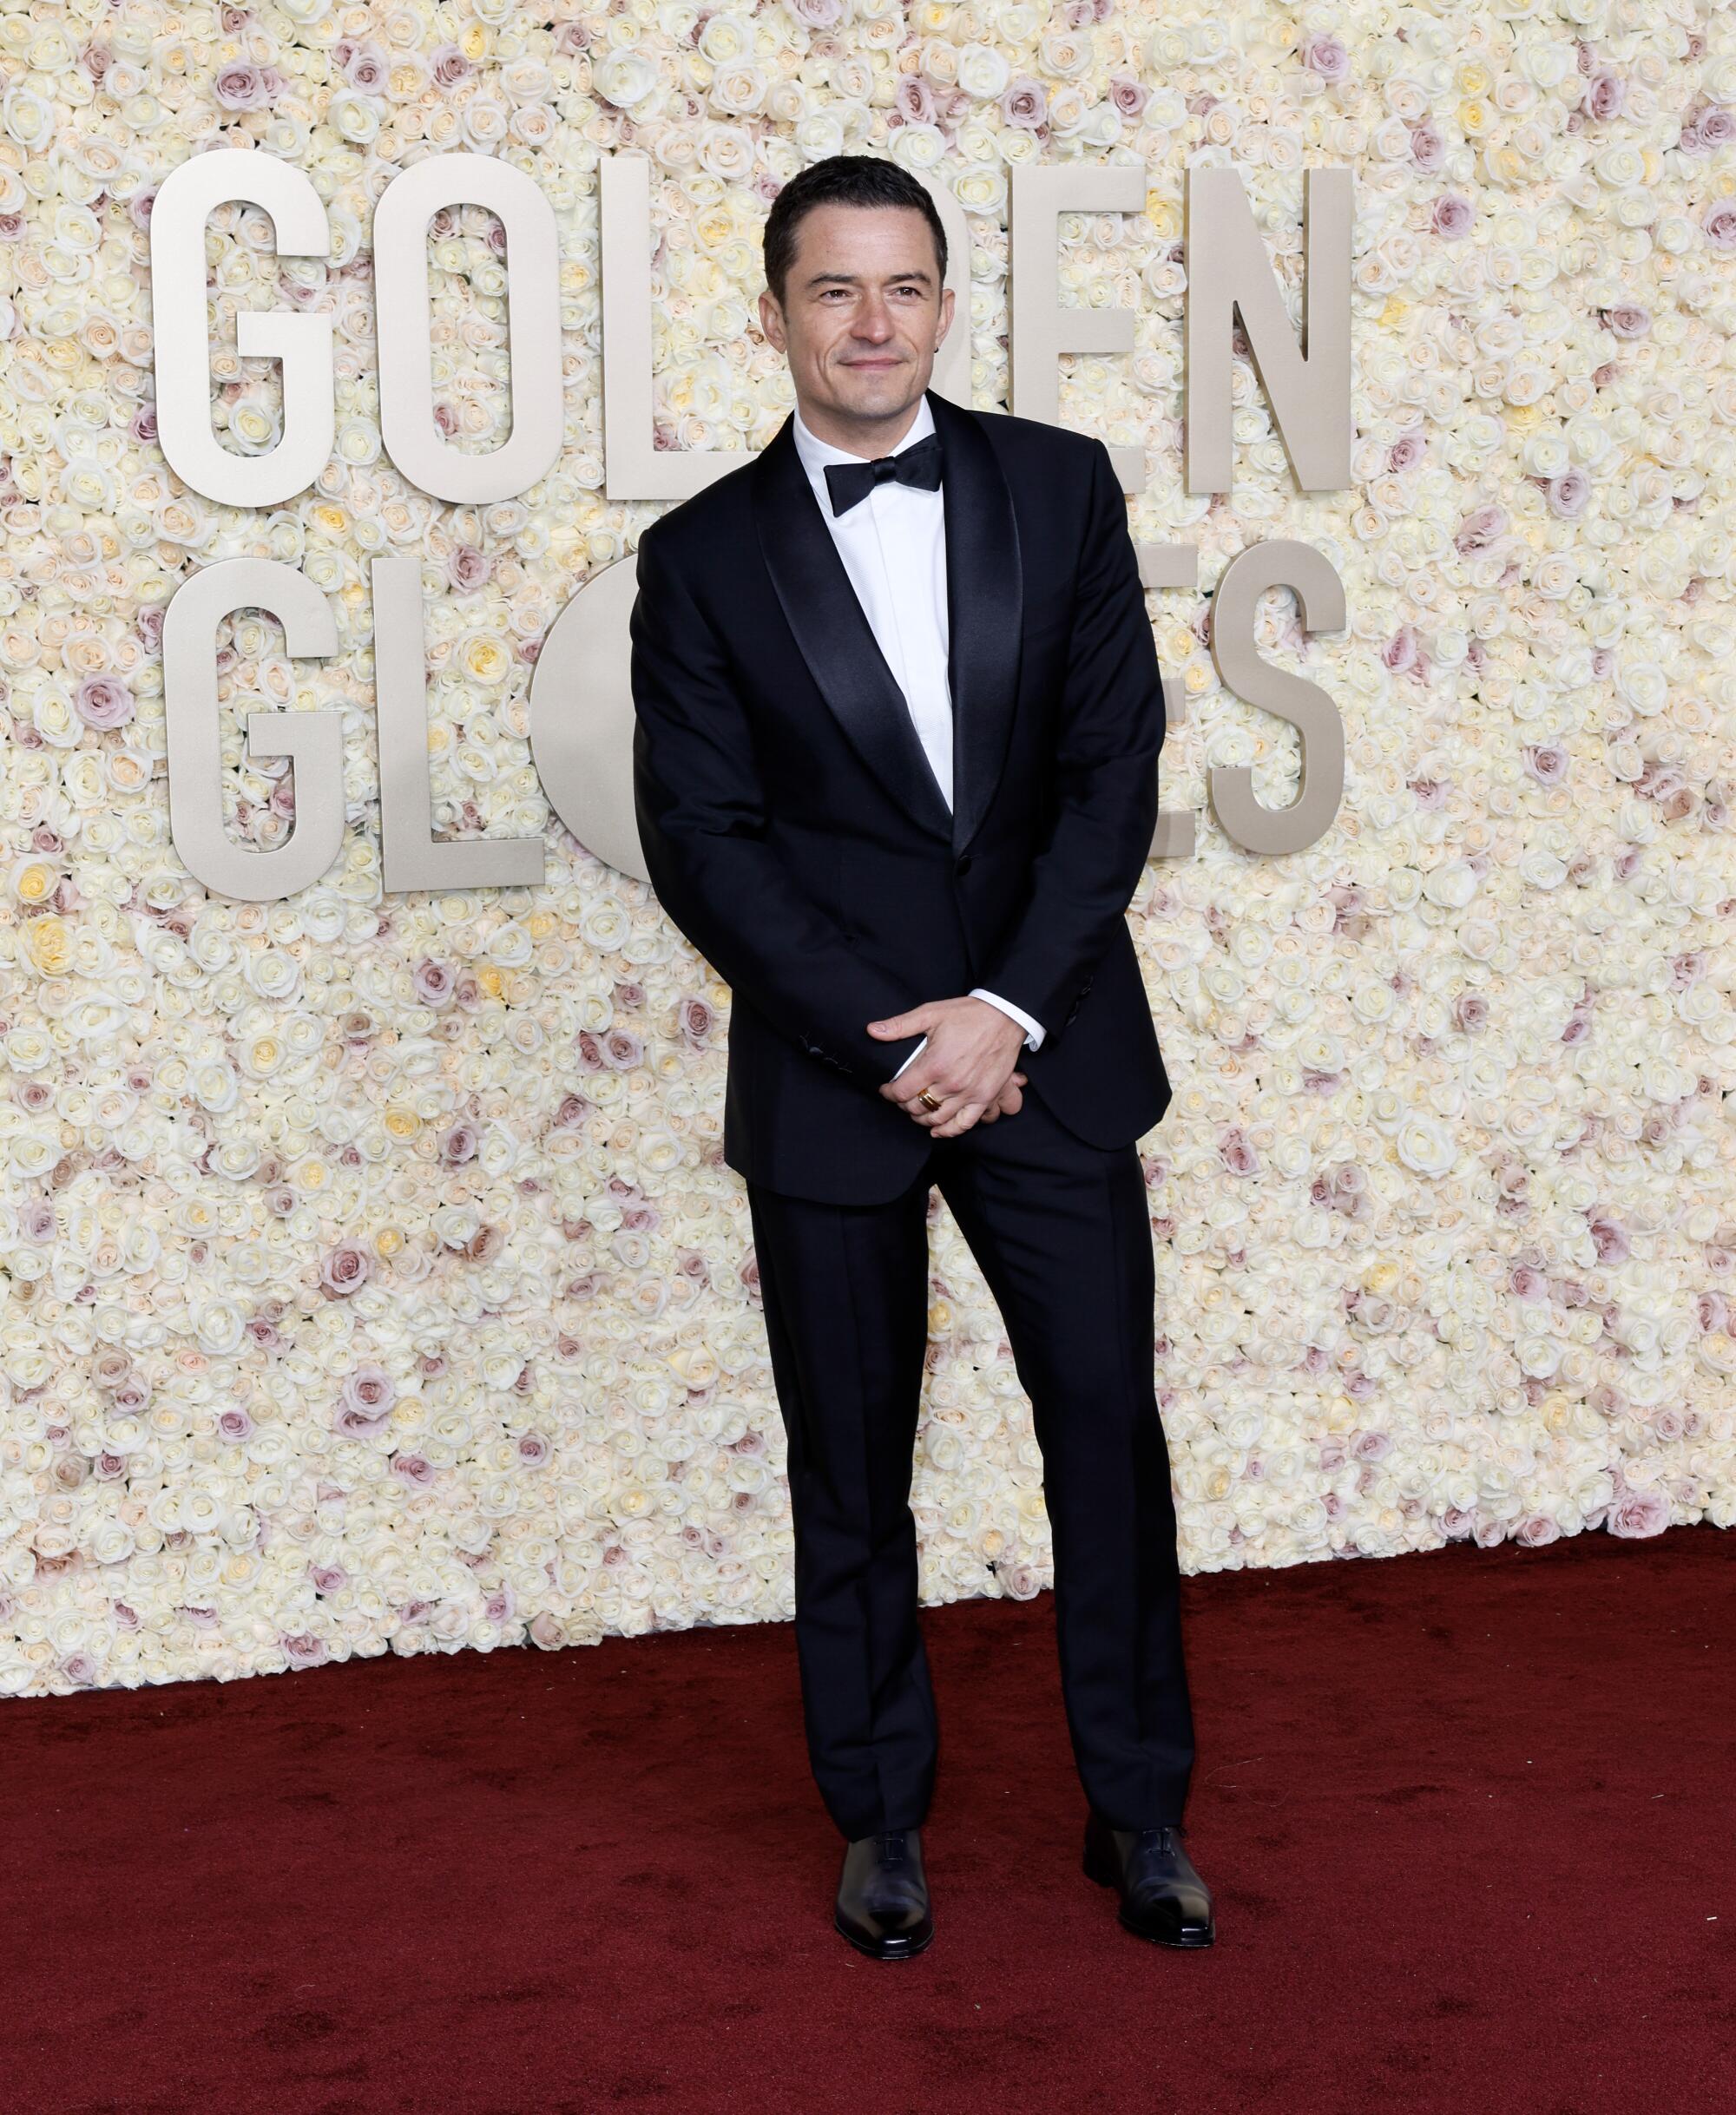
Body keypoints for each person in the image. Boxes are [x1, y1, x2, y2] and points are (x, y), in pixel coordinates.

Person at [628, 154, 1213, 1961]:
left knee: (1105, 1431)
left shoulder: (1058, 486)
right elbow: (703, 838)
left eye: (904, 289)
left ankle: (1140, 1810)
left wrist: (1004, 1013)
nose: (872, 324)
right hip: (833, 1076)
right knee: (847, 1461)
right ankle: (877, 1815)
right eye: (833, 291)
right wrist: (885, 1040)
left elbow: (1112, 771)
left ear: (945, 306)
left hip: (1047, 1043)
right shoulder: (702, 555)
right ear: (774, 311)